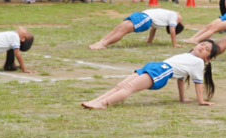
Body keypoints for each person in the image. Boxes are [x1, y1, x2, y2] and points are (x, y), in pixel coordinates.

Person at [81, 41, 218, 109]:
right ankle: (96, 101)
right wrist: (182, 98)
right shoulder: (188, 56)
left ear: (208, 59)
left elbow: (198, 83)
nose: (202, 47)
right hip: (155, 66)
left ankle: (103, 103)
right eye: (202, 44)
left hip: (161, 71)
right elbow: (180, 80)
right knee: (121, 85)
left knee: (129, 87)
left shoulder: (198, 63)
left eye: (207, 49)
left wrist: (201, 101)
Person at [89, 8, 184, 49]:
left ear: (177, 23)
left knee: (122, 30)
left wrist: (174, 43)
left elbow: (172, 30)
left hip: (145, 18)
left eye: (181, 20)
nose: (180, 16)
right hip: (142, 16)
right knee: (118, 28)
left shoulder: (173, 16)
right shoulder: (165, 18)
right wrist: (149, 41)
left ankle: (104, 43)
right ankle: (101, 42)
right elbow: (153, 29)